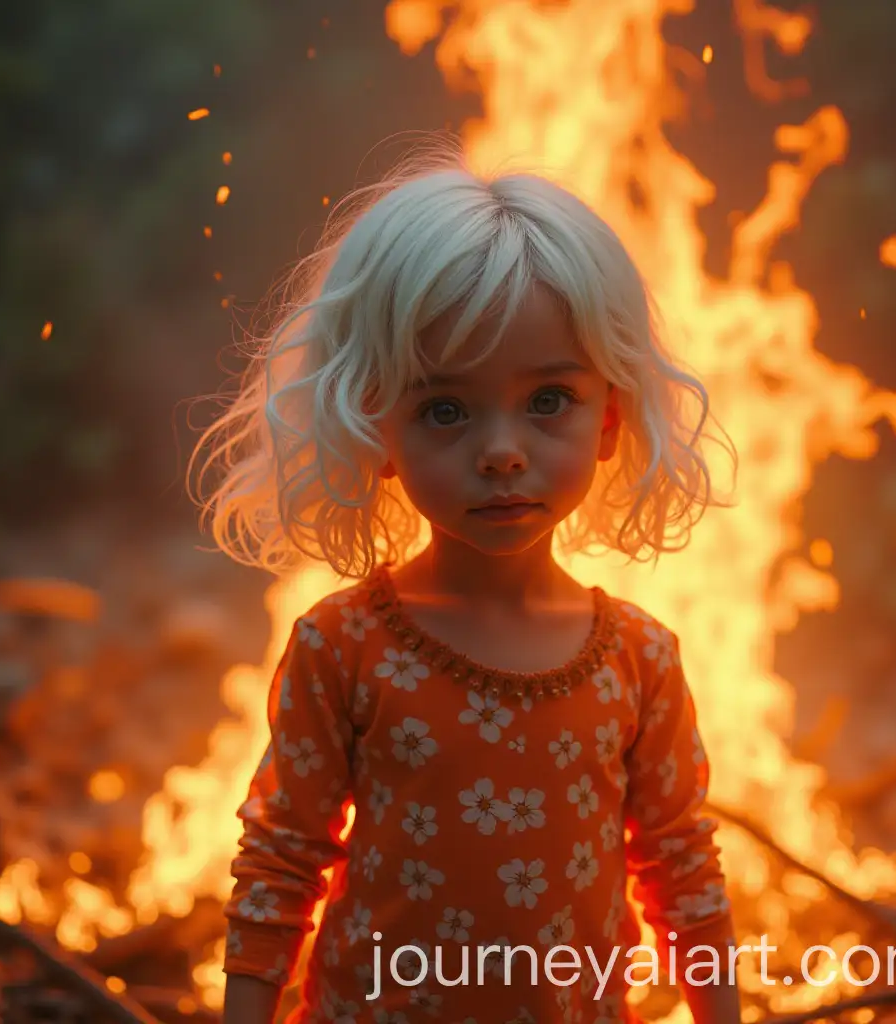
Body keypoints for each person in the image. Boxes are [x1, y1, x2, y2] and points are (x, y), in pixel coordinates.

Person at [189, 137, 741, 1024]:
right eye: (444, 409)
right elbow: (282, 859)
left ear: (610, 418)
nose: (502, 452)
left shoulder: (640, 661)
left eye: (549, 400)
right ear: (374, 430)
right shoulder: (343, 648)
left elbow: (681, 868)